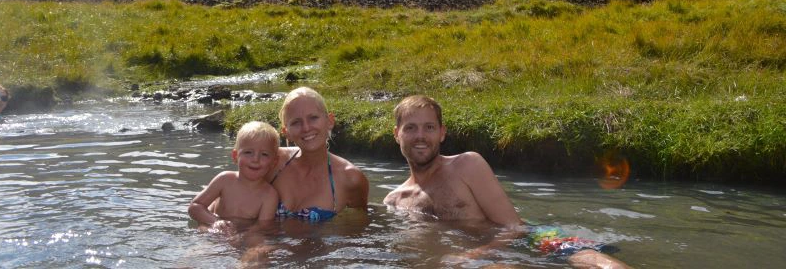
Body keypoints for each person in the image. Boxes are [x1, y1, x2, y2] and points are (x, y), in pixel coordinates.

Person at [384, 95, 631, 269]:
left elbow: (513, 228)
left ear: (442, 132)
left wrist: (477, 254)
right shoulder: (395, 202)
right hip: (487, 253)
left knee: (601, 265)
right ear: (397, 134)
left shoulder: (466, 165)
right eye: (411, 128)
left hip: (530, 235)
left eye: (429, 127)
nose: (420, 136)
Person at [267, 87, 369, 221]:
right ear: (286, 132)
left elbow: (357, 231)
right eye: (296, 122)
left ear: (329, 121)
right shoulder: (272, 162)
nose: (306, 128)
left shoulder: (351, 179)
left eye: (313, 118)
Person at [189, 120, 280, 230]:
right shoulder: (225, 180)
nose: (255, 159)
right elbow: (195, 207)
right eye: (248, 152)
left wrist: (241, 237)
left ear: (274, 162)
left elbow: (262, 227)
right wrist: (215, 221)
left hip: (243, 234)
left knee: (259, 243)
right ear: (235, 156)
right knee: (203, 230)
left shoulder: (269, 195)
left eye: (264, 154)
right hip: (213, 228)